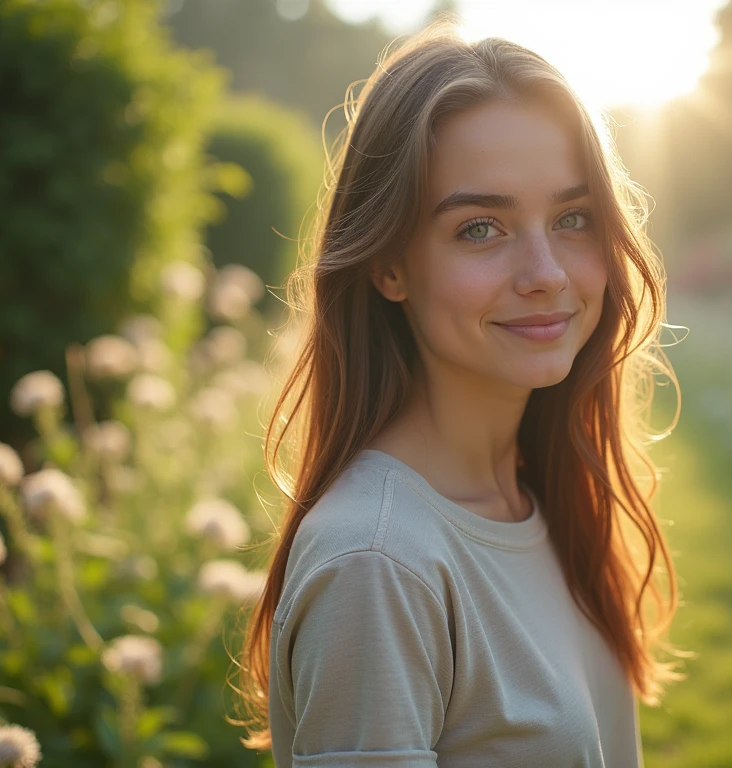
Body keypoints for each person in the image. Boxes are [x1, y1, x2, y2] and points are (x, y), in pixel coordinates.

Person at [232, 17, 687, 768]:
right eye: (481, 228)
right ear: (388, 265)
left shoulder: (536, 493)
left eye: (573, 219)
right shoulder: (377, 564)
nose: (546, 271)